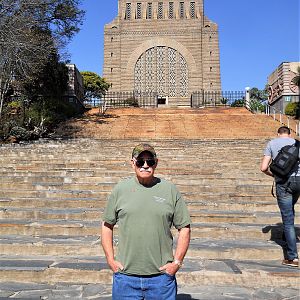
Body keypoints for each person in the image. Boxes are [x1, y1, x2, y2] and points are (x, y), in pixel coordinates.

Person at [101, 143, 191, 299]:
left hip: (161, 279)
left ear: (156, 163)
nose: (145, 165)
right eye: (140, 161)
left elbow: (184, 227)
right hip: (125, 278)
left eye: (149, 161)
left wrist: (176, 263)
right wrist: (110, 259)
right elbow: (106, 225)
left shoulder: (169, 190)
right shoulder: (120, 189)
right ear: (132, 163)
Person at [260, 126, 299, 267]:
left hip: (283, 183)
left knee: (287, 220)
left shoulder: (272, 143)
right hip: (298, 182)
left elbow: (263, 167)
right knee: (290, 210)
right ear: (290, 134)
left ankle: (292, 258)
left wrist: (274, 175)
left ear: (278, 134)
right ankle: (289, 237)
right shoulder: (297, 143)